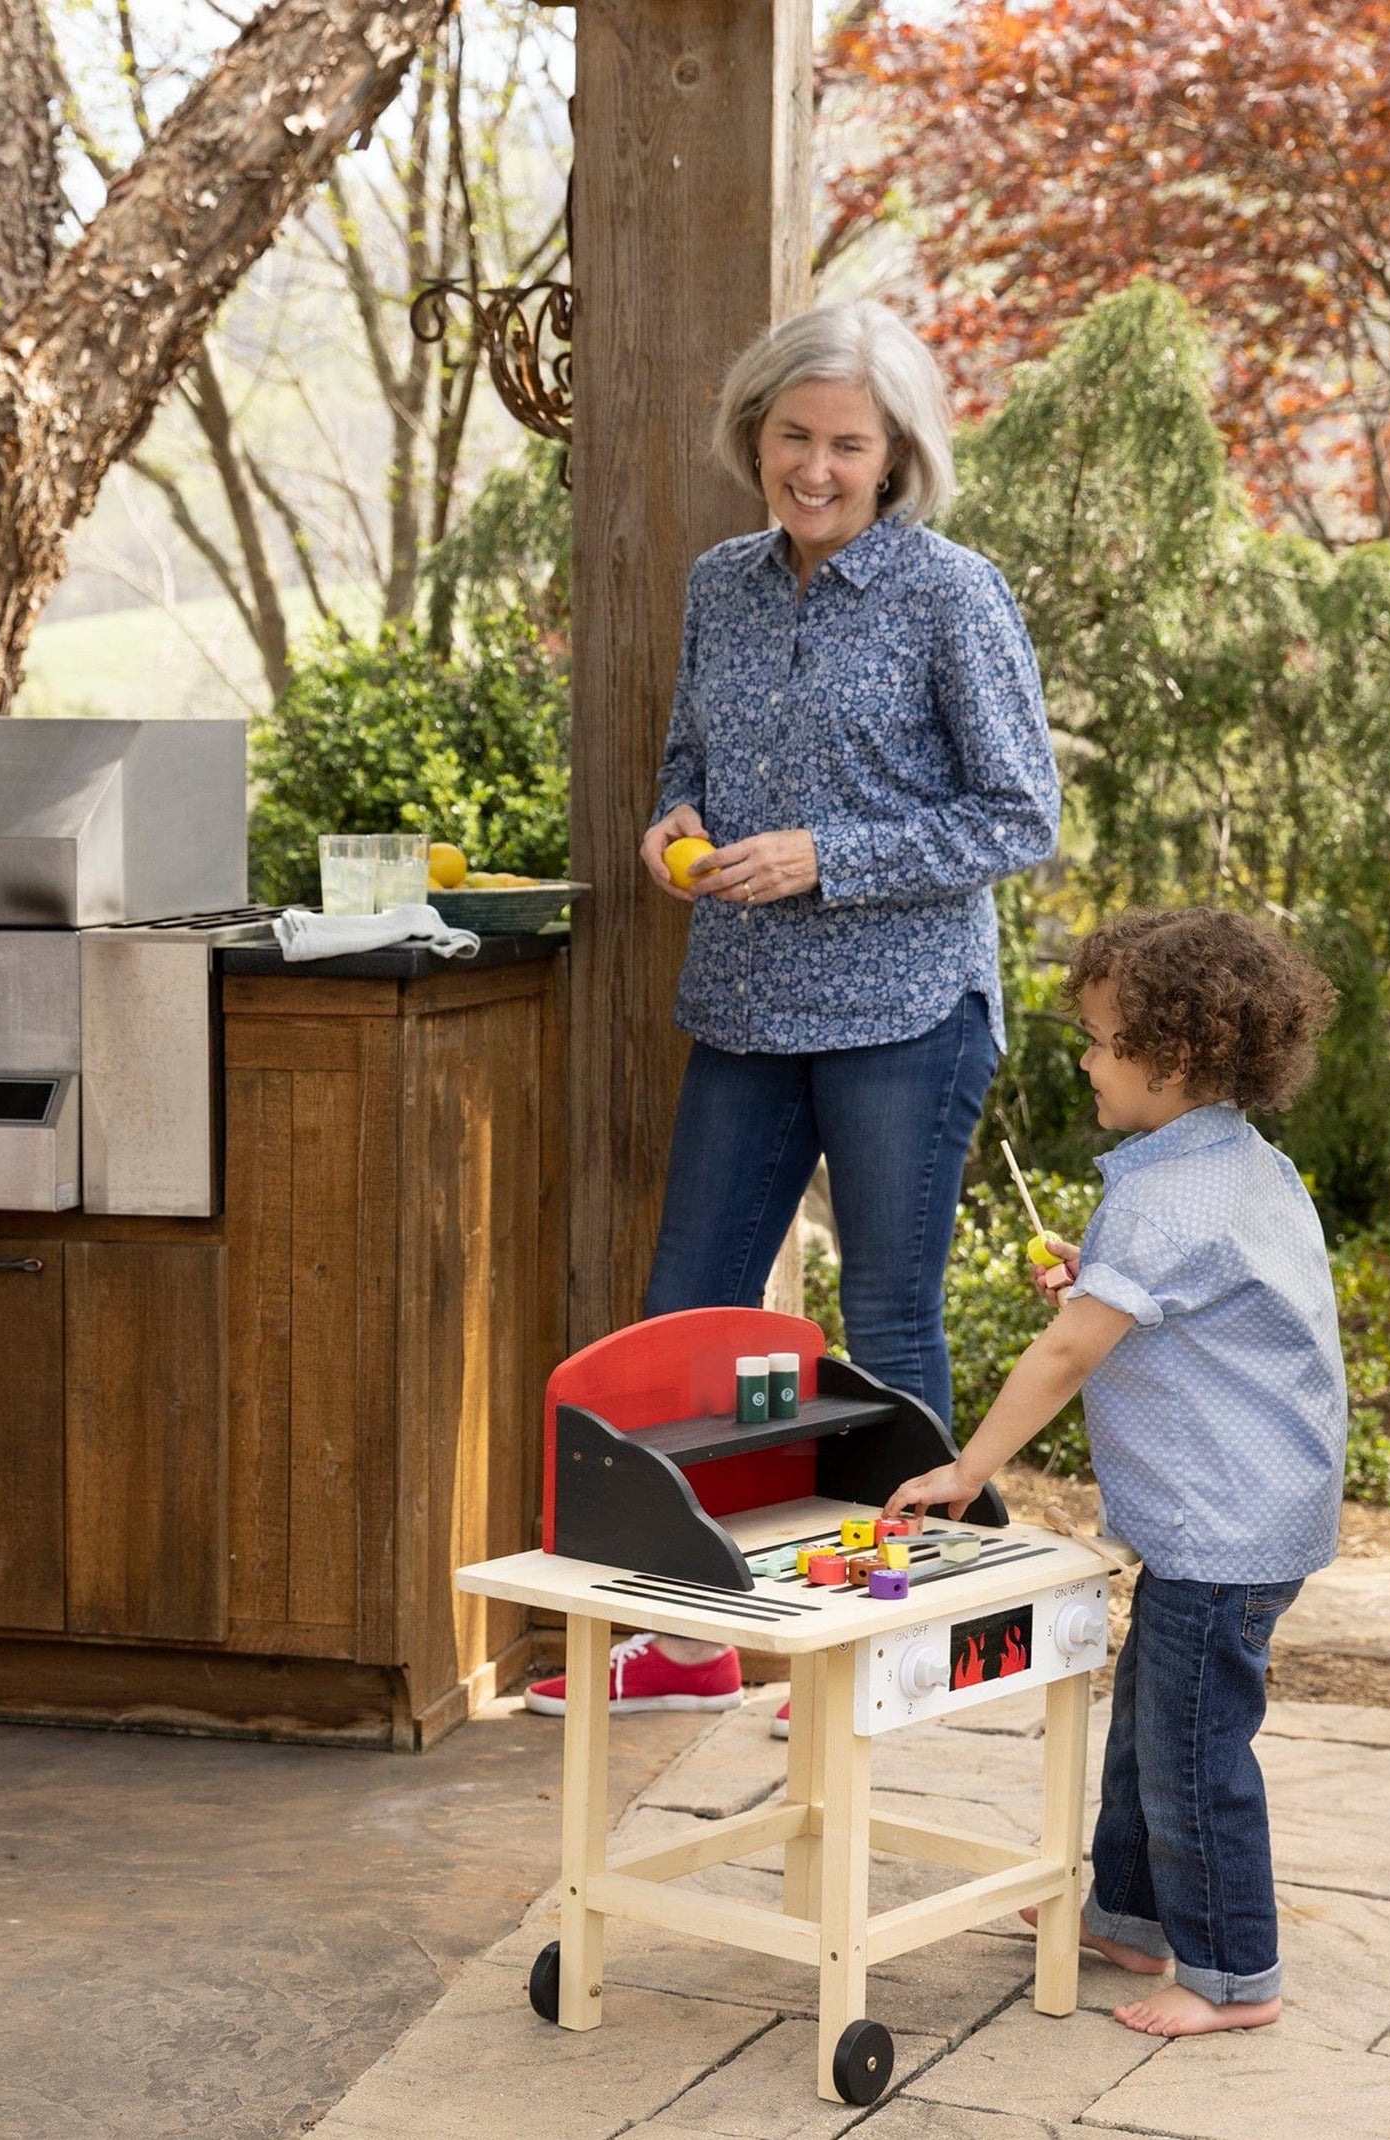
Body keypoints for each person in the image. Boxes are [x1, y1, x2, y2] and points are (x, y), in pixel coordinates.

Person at [525, 299, 1058, 1725]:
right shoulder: (723, 584)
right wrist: (672, 825)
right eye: (789, 438)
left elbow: (1021, 815)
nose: (813, 467)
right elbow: (688, 758)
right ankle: (688, 1637)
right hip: (746, 1004)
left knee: (884, 1336)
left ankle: (918, 1635)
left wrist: (832, 856)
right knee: (686, 1320)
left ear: (894, 459)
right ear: (751, 437)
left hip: (903, 1007)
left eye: (844, 444)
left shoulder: (954, 594)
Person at [882, 906, 1348, 2039]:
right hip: (1248, 1510)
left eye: (1096, 1039)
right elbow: (1202, 1301)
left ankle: (1233, 1972)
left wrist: (965, 1467)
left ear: (1172, 1057)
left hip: (1222, 1522)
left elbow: (1064, 1354)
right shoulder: (1235, 1162)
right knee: (1154, 1719)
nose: (1084, 1058)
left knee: (1191, 1750)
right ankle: (1132, 1914)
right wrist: (1107, 1280)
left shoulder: (1160, 1193)